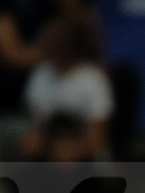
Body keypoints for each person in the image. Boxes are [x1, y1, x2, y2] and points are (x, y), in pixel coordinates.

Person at [20, 16, 113, 158]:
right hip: (48, 152)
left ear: (67, 46)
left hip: (86, 159)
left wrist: (73, 151)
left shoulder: (93, 78)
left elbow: (97, 139)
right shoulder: (40, 74)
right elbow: (36, 127)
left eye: (53, 42)